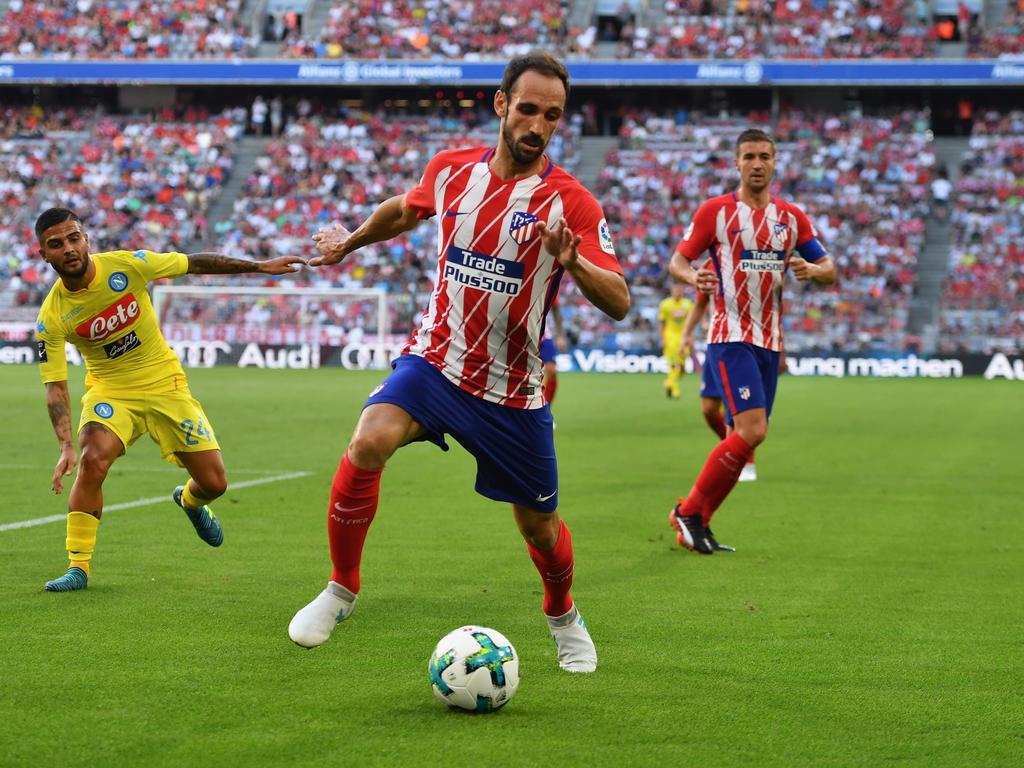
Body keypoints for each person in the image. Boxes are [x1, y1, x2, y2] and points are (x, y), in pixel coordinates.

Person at [287, 52, 630, 673]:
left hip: (513, 390)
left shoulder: (572, 202)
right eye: (526, 109)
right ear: (501, 105)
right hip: (436, 362)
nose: (536, 125)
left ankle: (563, 613)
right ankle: (340, 589)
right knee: (369, 441)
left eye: (551, 116)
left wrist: (573, 261)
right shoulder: (450, 171)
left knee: (541, 529)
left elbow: (621, 301)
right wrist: (349, 241)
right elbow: (404, 208)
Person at [34, 207, 305, 591]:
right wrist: (65, 444)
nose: (69, 249)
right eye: (56, 244)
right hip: (111, 392)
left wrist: (259, 266)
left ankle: (190, 501)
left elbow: (194, 263)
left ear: (86, 239)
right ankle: (79, 566)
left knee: (215, 483)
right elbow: (56, 388)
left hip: (165, 385)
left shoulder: (127, 266)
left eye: (74, 238)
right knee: (92, 459)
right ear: (44, 254)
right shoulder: (51, 316)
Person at [666, 128, 835, 554]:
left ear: (775, 163)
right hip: (731, 335)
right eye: (749, 156)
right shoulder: (716, 212)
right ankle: (688, 512)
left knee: (743, 438)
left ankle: (696, 520)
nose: (757, 163)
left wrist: (812, 271)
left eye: (764, 156)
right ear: (736, 163)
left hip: (770, 342)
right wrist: (693, 276)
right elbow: (678, 261)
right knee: (752, 430)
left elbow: (829, 267)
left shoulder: (792, 218)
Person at [680, 287, 757, 484]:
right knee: (709, 408)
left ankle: (746, 461)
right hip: (716, 345)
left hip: (743, 345)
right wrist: (687, 333)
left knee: (737, 408)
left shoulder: (748, 266)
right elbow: (700, 302)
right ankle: (732, 447)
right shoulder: (712, 267)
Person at [657, 280, 694, 399]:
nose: (677, 292)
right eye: (675, 290)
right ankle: (675, 391)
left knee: (682, 367)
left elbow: (692, 323)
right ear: (672, 291)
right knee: (673, 365)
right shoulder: (665, 304)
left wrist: (691, 337)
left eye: (679, 290)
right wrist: (662, 339)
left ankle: (669, 383)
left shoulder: (688, 304)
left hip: (684, 337)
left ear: (682, 291)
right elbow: (661, 323)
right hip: (670, 337)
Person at [539, 298, 567, 408]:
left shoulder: (548, 282)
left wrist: (560, 336)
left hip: (546, 336)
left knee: (552, 372)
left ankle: (546, 411)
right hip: (526, 334)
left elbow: (556, 311)